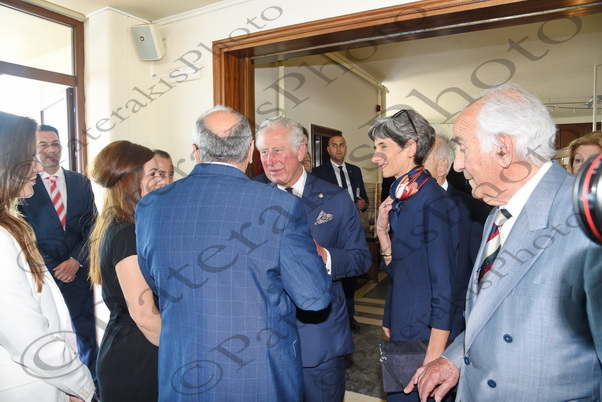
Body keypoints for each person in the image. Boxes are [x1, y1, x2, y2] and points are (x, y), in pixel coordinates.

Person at [409, 83, 602, 402]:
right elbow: (490, 313)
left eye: (463, 148)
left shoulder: (587, 220)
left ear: (503, 149)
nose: (457, 165)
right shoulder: (498, 212)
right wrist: (454, 359)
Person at [135, 106, 332, 401]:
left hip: (183, 372)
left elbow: (155, 281)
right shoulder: (280, 206)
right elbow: (313, 298)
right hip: (259, 376)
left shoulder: (150, 206)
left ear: (196, 151)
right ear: (251, 150)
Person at [256, 116, 371, 401]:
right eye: (264, 152)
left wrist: (326, 256)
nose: (270, 160)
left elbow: (360, 259)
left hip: (320, 337)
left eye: (278, 150)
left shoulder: (336, 198)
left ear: (300, 150)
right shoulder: (251, 196)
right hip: (264, 340)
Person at [0, 111, 94, 401]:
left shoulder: (10, 226)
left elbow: (91, 227)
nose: (38, 166)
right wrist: (84, 387)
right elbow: (32, 343)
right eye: (31, 155)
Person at [370, 109, 459, 402]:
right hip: (404, 321)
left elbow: (444, 285)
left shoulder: (431, 200)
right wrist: (383, 235)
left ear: (410, 147)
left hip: (424, 334)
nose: (375, 157)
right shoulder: (404, 196)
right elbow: (403, 271)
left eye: (383, 147)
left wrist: (434, 357)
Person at [19, 124, 99, 387]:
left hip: (78, 269)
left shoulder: (80, 182)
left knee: (86, 330)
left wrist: (75, 260)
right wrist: (53, 266)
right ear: (33, 150)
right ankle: (57, 386)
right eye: (43, 145)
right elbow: (23, 231)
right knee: (48, 331)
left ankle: (92, 385)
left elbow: (93, 226)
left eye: (55, 143)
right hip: (42, 273)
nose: (51, 150)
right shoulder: (24, 186)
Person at [88, 141, 161, 401]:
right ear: (132, 180)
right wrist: (185, 350)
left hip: (132, 347)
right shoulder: (124, 233)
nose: (161, 181)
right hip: (137, 357)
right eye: (153, 174)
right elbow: (144, 315)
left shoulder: (121, 225)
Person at [423, 134, 490, 337]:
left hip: (453, 322)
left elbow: (477, 274)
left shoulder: (472, 210)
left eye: (421, 160)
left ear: (442, 166)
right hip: (412, 317)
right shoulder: (403, 205)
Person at [313, 134, 369, 332]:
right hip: (331, 229)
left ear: (346, 147)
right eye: (334, 145)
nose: (338, 149)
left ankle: (350, 316)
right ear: (328, 149)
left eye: (342, 145)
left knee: (349, 274)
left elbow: (363, 197)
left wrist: (364, 204)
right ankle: (332, 315)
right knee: (333, 271)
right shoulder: (319, 172)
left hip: (351, 228)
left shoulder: (355, 170)